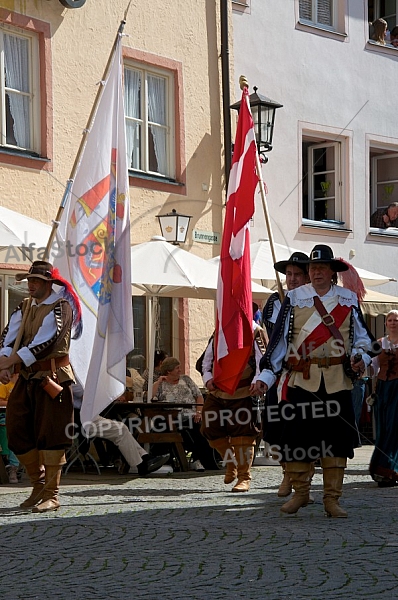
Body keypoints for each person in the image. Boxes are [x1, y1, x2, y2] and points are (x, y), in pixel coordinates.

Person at [256, 245, 376, 518]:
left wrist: (360, 358)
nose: (317, 272)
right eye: (313, 268)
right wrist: (266, 376)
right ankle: (300, 493)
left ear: (332, 272)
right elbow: (280, 342)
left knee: (336, 441)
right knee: (298, 440)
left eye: (322, 268)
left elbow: (364, 340)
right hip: (302, 380)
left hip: (337, 381)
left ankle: (332, 499)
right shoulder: (295, 297)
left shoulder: (347, 299)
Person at [0, 260, 82, 513]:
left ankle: (52, 494)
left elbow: (45, 343)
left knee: (52, 434)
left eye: (36, 281)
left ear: (49, 284)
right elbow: (8, 337)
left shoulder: (61, 307)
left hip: (53, 378)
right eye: (29, 281)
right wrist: (4, 363)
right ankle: (38, 485)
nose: (31, 285)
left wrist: (10, 361)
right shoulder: (24, 307)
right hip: (27, 379)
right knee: (16, 429)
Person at [262, 252, 311, 498]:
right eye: (288, 274)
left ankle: (303, 481)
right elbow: (271, 338)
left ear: (307, 276)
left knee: (304, 429)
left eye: (297, 275)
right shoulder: (273, 302)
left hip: (306, 373)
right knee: (276, 427)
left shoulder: (313, 301)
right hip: (279, 374)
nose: (291, 279)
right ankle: (286, 474)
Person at [201, 324, 264, 492]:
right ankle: (231, 463)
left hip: (243, 392)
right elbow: (206, 360)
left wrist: (257, 379)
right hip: (218, 392)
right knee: (209, 427)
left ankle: (244, 477)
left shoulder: (255, 331)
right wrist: (207, 378)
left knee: (243, 435)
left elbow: (262, 360)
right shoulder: (220, 329)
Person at [72, 383, 170, 476]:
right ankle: (142, 464)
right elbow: (86, 391)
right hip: (81, 419)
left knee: (122, 428)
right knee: (121, 429)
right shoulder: (70, 376)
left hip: (89, 415)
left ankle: (144, 459)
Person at [152, 357, 209, 471]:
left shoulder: (186, 379)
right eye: (177, 368)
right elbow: (151, 398)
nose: (180, 370)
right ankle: (167, 460)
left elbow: (199, 396)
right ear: (169, 371)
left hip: (190, 415)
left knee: (200, 427)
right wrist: (157, 382)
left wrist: (198, 412)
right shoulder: (161, 384)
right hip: (169, 417)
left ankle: (196, 460)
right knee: (161, 427)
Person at [369, 310, 398, 486]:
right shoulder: (378, 344)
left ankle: (390, 469)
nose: (394, 322)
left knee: (395, 427)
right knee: (383, 427)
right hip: (382, 389)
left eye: (396, 320)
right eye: (390, 320)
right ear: (386, 323)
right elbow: (371, 367)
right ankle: (380, 467)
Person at [0, 376, 19, 484]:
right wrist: (14, 403)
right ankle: (9, 464)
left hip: (20, 419)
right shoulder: (5, 386)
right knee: (6, 429)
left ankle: (13, 466)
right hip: (5, 416)